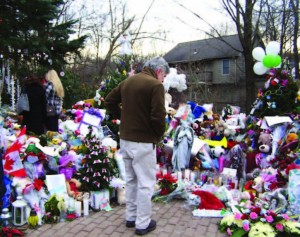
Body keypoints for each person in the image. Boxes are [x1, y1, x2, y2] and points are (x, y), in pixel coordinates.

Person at [105, 56, 169, 235]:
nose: (163, 79)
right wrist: (157, 136)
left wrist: (123, 115)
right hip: (143, 142)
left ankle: (131, 217)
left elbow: (109, 100)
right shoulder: (155, 86)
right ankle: (142, 223)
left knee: (131, 180)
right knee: (146, 183)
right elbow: (158, 117)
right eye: (163, 75)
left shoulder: (129, 81)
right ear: (158, 71)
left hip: (125, 140)